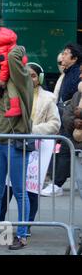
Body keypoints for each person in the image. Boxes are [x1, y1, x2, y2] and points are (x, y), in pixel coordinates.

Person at [0, 26, 34, 250]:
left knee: (20, 191)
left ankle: (22, 235)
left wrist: (6, 47)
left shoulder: (19, 71)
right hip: (1, 138)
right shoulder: (1, 74)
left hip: (17, 137)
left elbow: (14, 53)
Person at [0, 63, 61, 233]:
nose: (29, 79)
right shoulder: (11, 94)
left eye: (33, 76)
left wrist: (31, 131)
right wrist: (10, 129)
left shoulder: (48, 98)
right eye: (26, 75)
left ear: (40, 78)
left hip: (36, 148)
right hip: (11, 145)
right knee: (6, 188)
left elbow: (55, 123)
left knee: (30, 189)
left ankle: (26, 226)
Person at [43, 44, 82, 196]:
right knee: (65, 149)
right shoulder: (68, 73)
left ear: (75, 58)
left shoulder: (75, 73)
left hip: (72, 116)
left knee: (66, 150)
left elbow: (73, 99)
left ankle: (57, 184)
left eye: (66, 54)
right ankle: (56, 183)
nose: (63, 56)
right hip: (68, 117)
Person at [0, 26, 28, 117]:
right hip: (14, 66)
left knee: (11, 85)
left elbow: (5, 64)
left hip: (13, 68)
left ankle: (15, 107)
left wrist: (2, 79)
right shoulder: (3, 45)